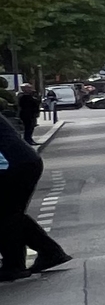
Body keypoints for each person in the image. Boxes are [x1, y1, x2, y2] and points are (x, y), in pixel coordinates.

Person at [0, 109, 69, 282]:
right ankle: (47, 253)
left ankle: (16, 265)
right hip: (22, 161)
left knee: (6, 214)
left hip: (11, 164)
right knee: (10, 214)